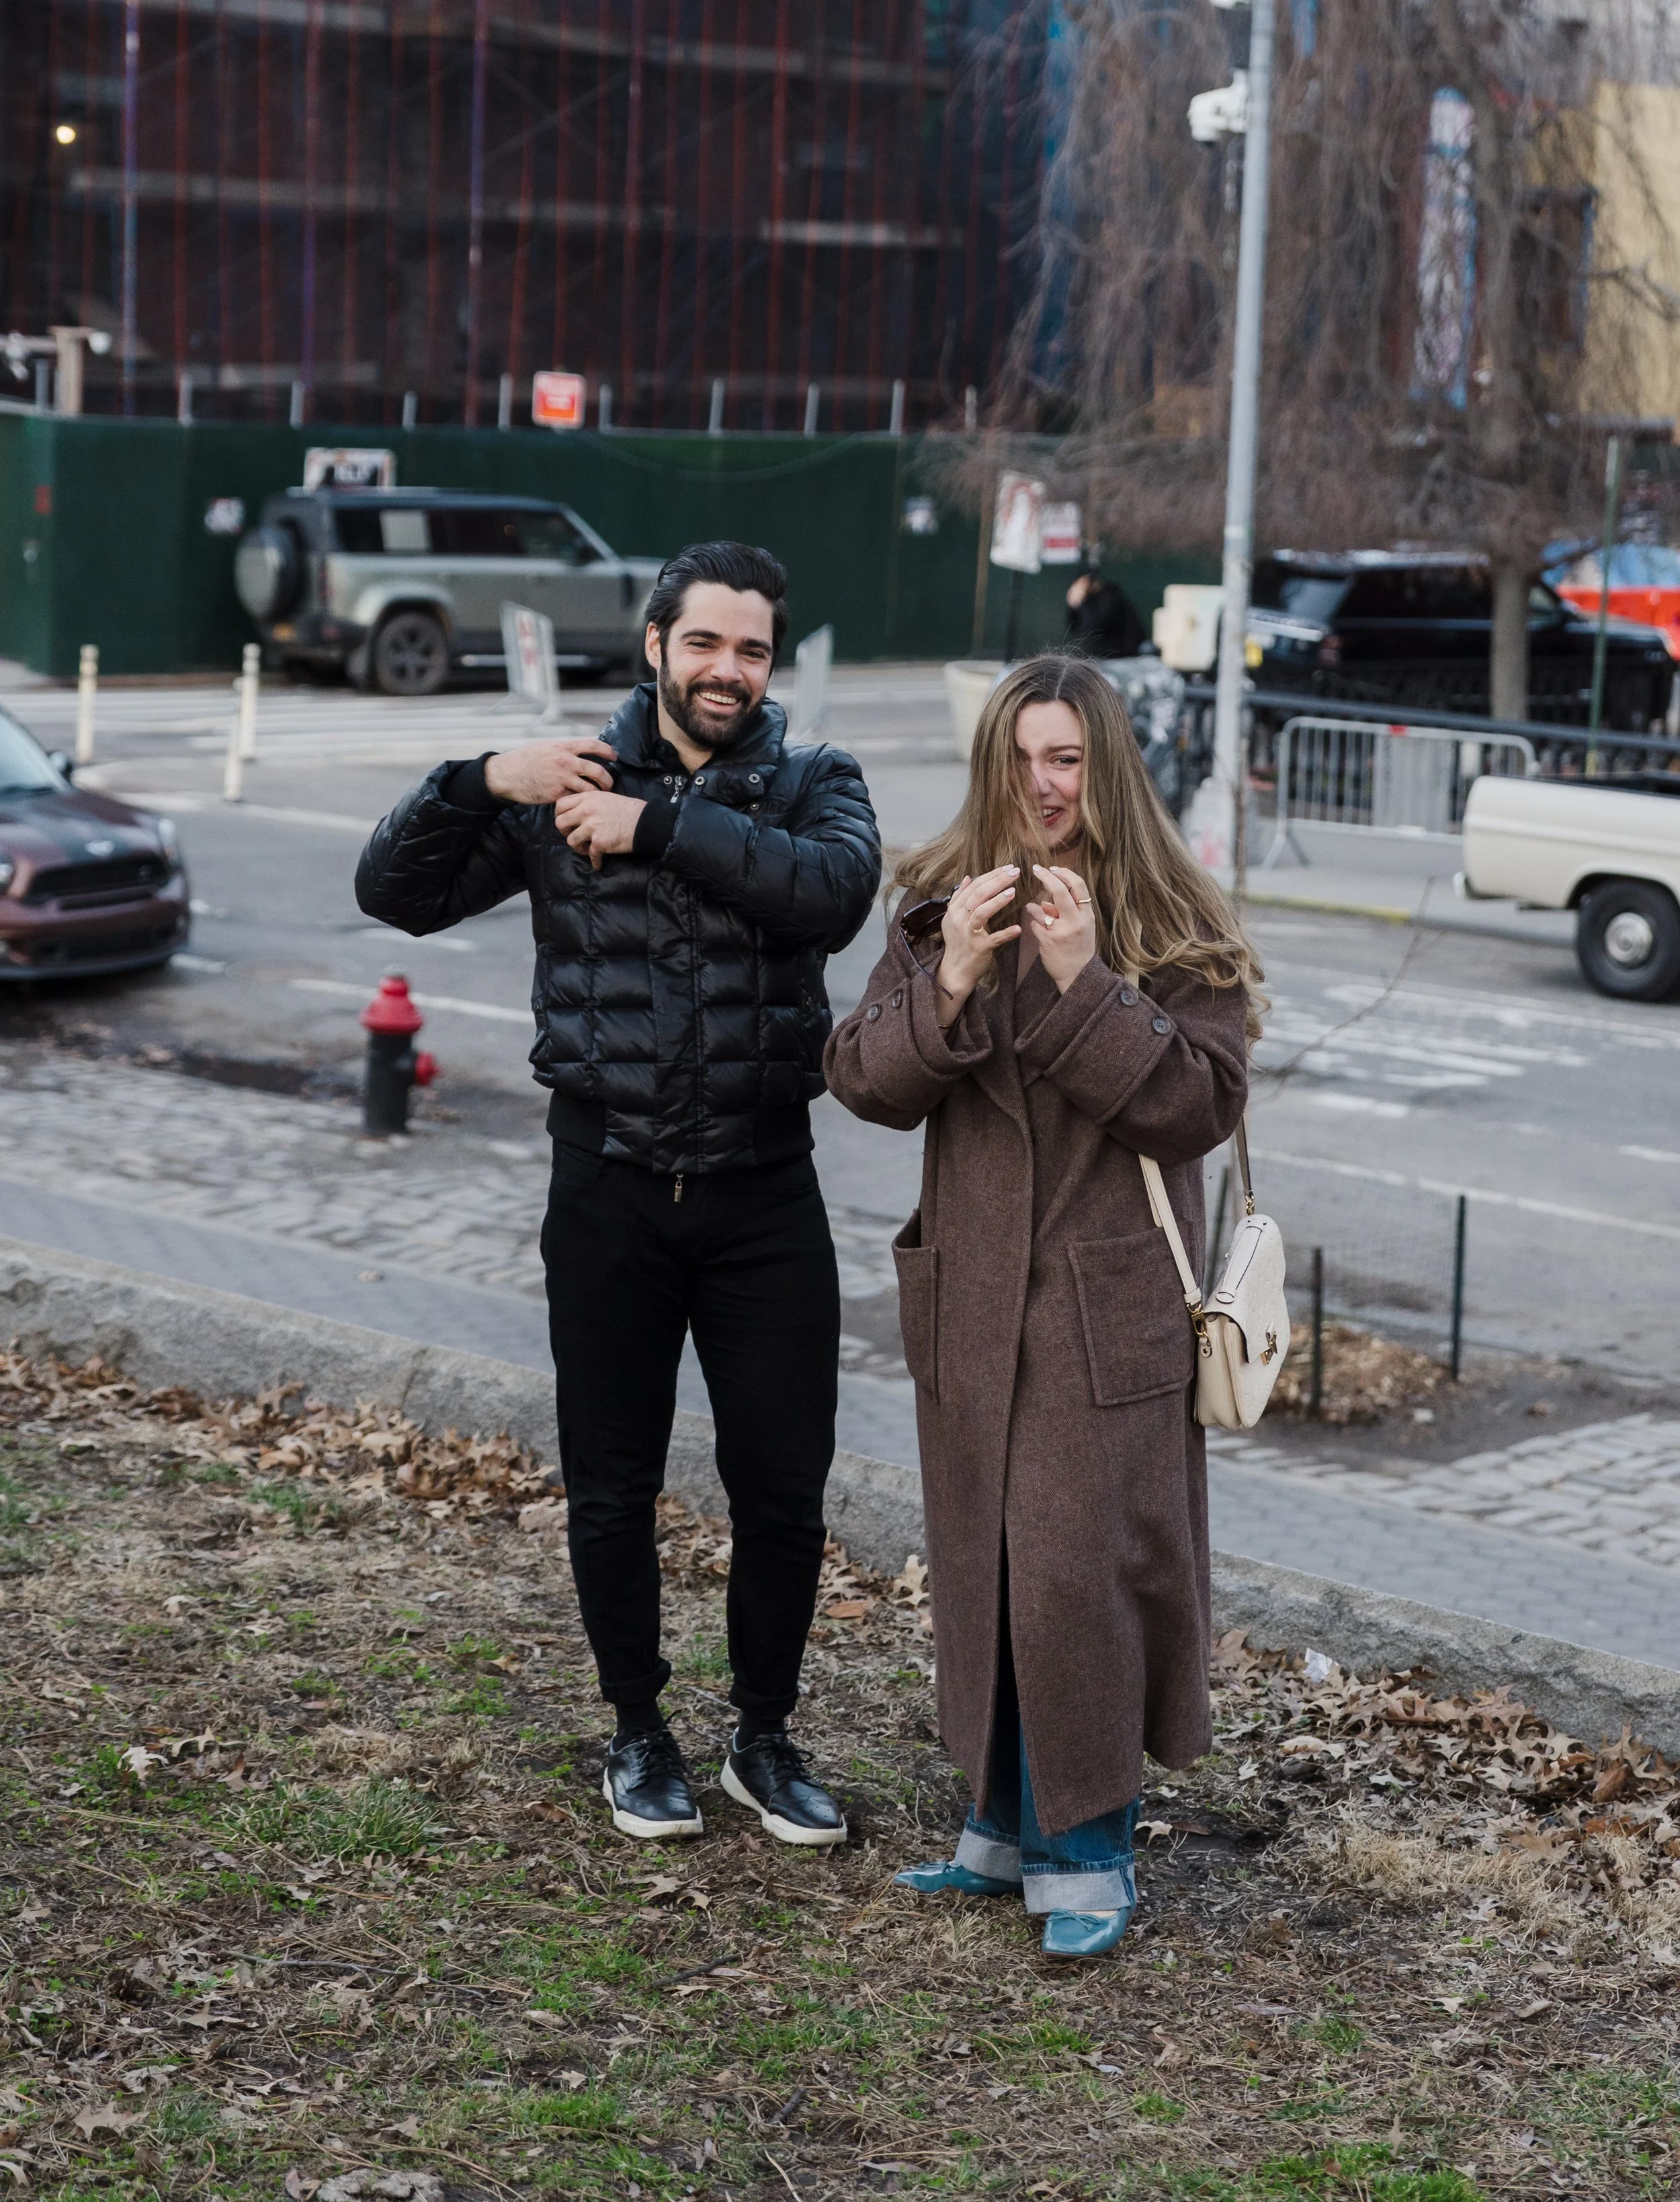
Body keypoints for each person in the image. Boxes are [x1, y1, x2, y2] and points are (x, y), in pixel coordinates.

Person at [356, 541, 881, 1849]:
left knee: (782, 1490)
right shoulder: (559, 786)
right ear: (654, 644)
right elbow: (394, 895)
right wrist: (480, 779)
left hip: (766, 1195)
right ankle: (638, 1734)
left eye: (750, 649)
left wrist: (659, 826)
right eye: (704, 642)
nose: (727, 670)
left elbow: (830, 895)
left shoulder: (813, 782)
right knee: (611, 1481)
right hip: (607, 1188)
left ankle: (762, 1736)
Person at [824, 653, 1259, 1958]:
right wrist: (950, 979)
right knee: (986, 1571)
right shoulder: (933, 905)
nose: (1041, 784)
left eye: (1065, 757)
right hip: (970, 1303)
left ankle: (1090, 1846)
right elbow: (859, 1082)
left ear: (1105, 769)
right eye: (1020, 758)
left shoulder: (1173, 926)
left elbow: (1197, 1106)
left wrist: (1083, 986)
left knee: (1081, 1577)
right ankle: (1002, 1825)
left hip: (1101, 1313)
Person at [1064, 560, 1145, 660]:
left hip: (1116, 657)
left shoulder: (1111, 596)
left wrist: (1083, 604)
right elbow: (1073, 628)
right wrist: (1074, 606)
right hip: (1094, 658)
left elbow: (1094, 627)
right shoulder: (1087, 599)